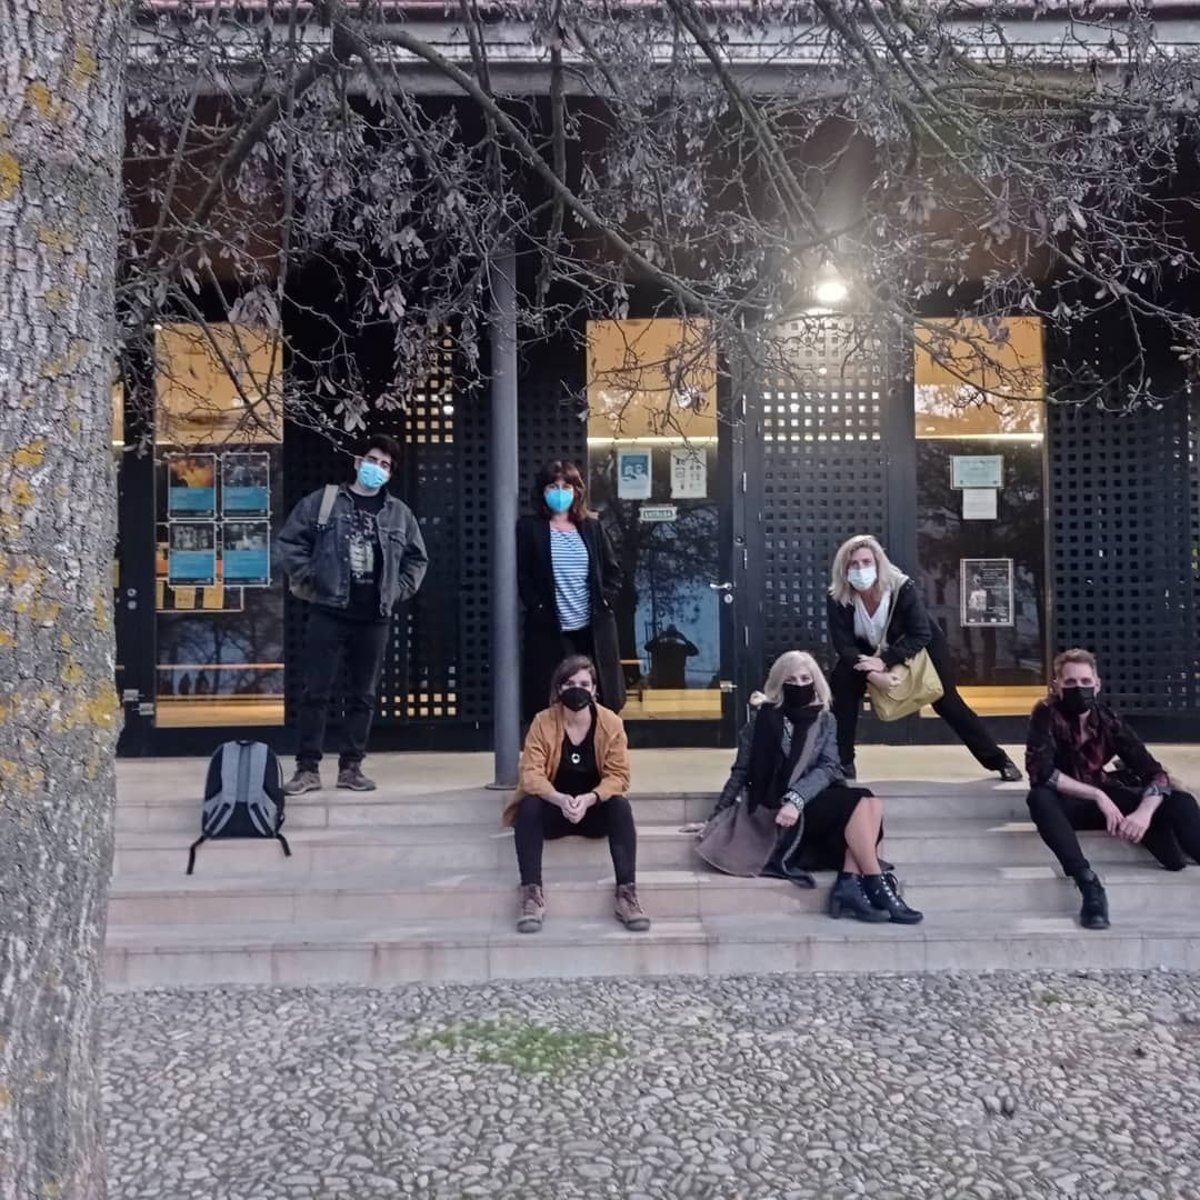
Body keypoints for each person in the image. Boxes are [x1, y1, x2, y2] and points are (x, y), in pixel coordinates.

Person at [699, 650, 922, 923]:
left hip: (808, 799)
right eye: (791, 679)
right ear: (779, 683)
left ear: (815, 682)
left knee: (869, 801)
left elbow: (830, 767)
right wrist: (716, 816)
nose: (800, 684)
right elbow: (741, 771)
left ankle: (854, 883)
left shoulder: (825, 720)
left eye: (806, 678)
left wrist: (797, 798)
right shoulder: (761, 721)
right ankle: (873, 883)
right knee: (862, 802)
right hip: (776, 809)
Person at [277, 434, 428, 794]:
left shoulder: (399, 513)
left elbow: (417, 559)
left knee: (363, 695)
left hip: (374, 616)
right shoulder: (324, 502)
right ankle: (307, 769)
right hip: (328, 610)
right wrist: (311, 579)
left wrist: (396, 591)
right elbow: (289, 542)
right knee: (316, 691)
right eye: (373, 460)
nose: (378, 468)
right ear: (358, 462)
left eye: (386, 465)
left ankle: (351, 767)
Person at [1025, 647, 1200, 930]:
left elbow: (1154, 773)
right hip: (1069, 803)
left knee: (1182, 802)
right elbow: (1041, 773)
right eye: (1070, 682)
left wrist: (1143, 813)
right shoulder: (1045, 713)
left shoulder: (1108, 719)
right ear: (1056, 686)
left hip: (1109, 800)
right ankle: (1089, 885)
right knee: (1039, 798)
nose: (1079, 688)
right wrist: (1097, 795)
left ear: (1097, 684)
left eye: (1085, 681)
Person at [826, 533, 1021, 782]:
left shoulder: (901, 587)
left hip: (916, 645)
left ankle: (998, 760)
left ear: (878, 563)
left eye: (866, 562)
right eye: (853, 564)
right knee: (842, 685)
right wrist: (873, 675)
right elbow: (844, 645)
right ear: (844, 569)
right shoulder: (838, 597)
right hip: (866, 654)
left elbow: (920, 633)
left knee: (948, 702)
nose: (860, 569)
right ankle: (843, 763)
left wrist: (886, 660)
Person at [503, 655, 649, 934]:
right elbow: (531, 775)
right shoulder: (543, 722)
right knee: (529, 805)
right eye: (569, 684)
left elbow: (619, 776)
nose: (577, 689)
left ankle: (626, 894)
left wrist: (590, 798)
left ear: (594, 689)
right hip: (554, 811)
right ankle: (531, 895)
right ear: (559, 689)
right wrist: (559, 799)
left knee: (620, 806)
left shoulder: (611, 723)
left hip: (593, 813)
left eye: (584, 684)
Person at [516, 460, 626, 723]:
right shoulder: (530, 529)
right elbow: (523, 575)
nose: (560, 492)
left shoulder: (592, 527)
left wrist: (605, 601)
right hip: (551, 628)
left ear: (577, 491)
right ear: (542, 491)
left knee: (599, 694)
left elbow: (613, 572)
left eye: (566, 487)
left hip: (592, 627)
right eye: (553, 487)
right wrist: (537, 606)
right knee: (551, 695)